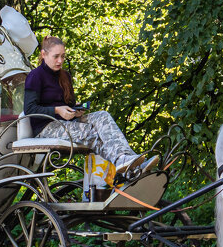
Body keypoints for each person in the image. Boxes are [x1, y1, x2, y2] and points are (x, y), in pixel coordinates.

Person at [23, 37, 157, 179]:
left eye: (63, 56)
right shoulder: (35, 76)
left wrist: (75, 110)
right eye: (56, 56)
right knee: (91, 132)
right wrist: (57, 110)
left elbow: (68, 104)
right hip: (45, 126)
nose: (60, 61)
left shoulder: (65, 76)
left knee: (102, 117)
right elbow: (30, 109)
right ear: (44, 54)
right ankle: (131, 170)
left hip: (66, 122)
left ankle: (126, 159)